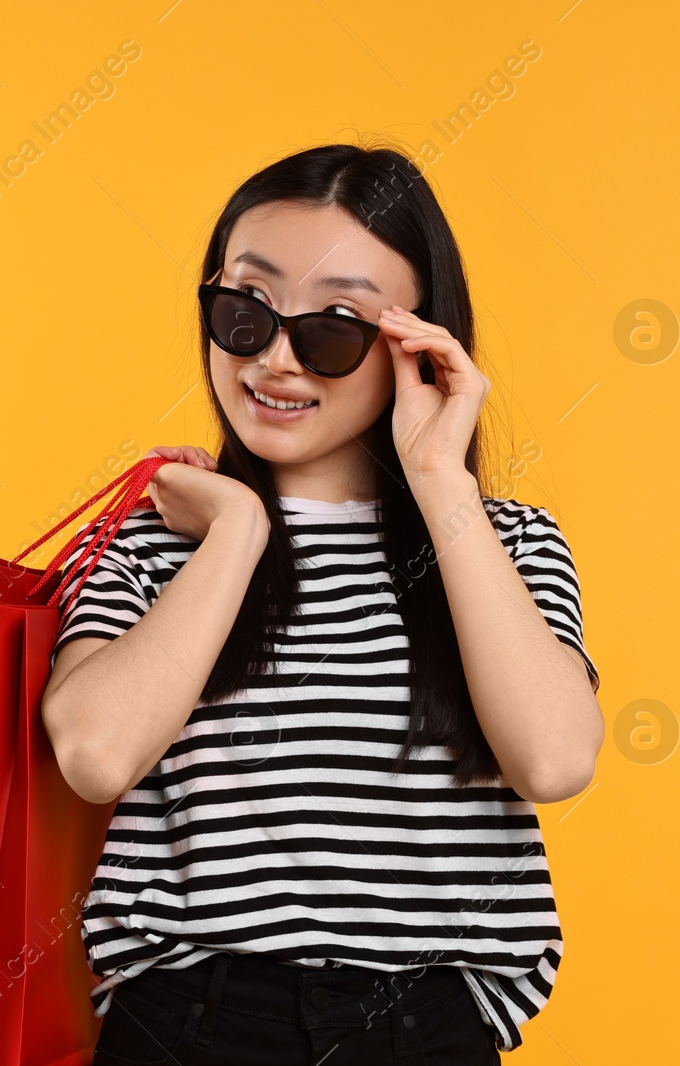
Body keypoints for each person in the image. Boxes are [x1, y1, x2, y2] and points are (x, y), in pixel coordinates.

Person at [40, 142, 602, 1064]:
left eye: (335, 325)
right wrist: (237, 534)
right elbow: (96, 754)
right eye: (246, 310)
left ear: (417, 343)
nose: (278, 360)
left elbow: (553, 757)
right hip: (188, 1017)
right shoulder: (149, 537)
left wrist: (439, 479)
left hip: (426, 1024)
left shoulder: (504, 542)